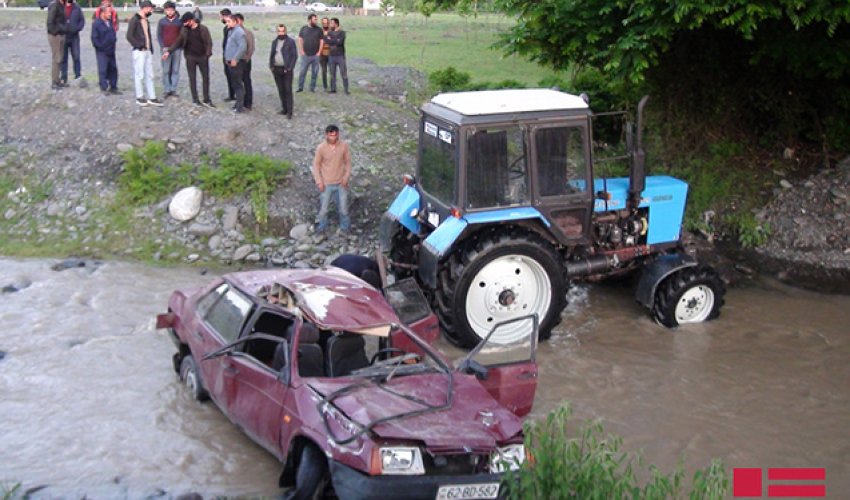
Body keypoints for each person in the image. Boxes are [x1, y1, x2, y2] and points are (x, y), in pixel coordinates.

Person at [162, 12, 213, 107]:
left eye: (185, 22)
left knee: (206, 78)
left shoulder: (203, 29)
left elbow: (209, 43)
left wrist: (207, 55)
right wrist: (169, 51)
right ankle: (195, 99)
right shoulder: (184, 30)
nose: (184, 24)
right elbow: (178, 41)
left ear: (191, 20)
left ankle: (206, 99)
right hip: (190, 57)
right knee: (192, 78)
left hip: (202, 57)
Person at [312, 124, 352, 233]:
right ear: (326, 135)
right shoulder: (321, 148)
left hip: (341, 183)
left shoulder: (344, 146)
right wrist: (319, 181)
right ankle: (321, 228)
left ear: (338, 134)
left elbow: (348, 163)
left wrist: (346, 178)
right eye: (330, 136)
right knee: (324, 209)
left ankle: (345, 229)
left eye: (335, 136)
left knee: (343, 209)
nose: (333, 138)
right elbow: (316, 165)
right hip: (326, 183)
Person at [126, 0, 163, 106]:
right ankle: (140, 96)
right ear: (145, 8)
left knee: (150, 74)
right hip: (139, 51)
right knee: (139, 74)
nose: (151, 10)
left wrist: (149, 47)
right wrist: (139, 45)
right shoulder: (135, 20)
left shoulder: (146, 19)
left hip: (147, 50)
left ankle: (152, 97)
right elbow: (129, 36)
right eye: (150, 8)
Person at [269, 24, 297, 118]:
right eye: (279, 31)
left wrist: (290, 68)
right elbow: (272, 54)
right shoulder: (274, 42)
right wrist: (271, 65)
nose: (281, 33)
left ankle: (290, 111)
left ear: (285, 31)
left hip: (286, 69)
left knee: (288, 90)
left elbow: (294, 56)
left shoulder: (290, 42)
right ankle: (284, 109)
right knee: (281, 90)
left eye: (282, 31)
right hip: (276, 68)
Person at [90, 6, 120, 94]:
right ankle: (104, 87)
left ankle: (113, 86)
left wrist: (114, 41)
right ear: (102, 13)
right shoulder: (97, 23)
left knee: (113, 68)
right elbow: (94, 38)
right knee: (103, 69)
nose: (110, 14)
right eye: (108, 12)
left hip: (111, 49)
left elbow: (113, 33)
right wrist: (100, 47)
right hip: (102, 51)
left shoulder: (110, 22)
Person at [157, 1, 182, 98]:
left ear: (174, 10)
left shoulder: (179, 22)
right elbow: (159, 35)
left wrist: (179, 45)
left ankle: (173, 89)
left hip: (177, 49)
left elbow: (181, 36)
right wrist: (162, 46)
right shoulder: (162, 21)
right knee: (166, 70)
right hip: (165, 48)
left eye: (171, 10)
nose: (170, 12)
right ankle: (167, 89)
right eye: (167, 10)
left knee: (175, 69)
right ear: (165, 11)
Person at [223, 14, 247, 113]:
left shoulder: (239, 32)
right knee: (234, 83)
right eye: (226, 21)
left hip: (236, 63)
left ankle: (240, 106)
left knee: (238, 84)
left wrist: (235, 59)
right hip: (229, 61)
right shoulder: (231, 31)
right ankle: (237, 103)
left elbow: (242, 47)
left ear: (235, 21)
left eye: (229, 21)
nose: (227, 23)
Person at [296, 14, 323, 93]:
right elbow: (300, 39)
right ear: (309, 20)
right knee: (302, 72)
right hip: (305, 55)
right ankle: (300, 87)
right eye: (314, 19)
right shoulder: (303, 29)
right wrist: (301, 51)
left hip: (316, 55)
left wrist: (319, 52)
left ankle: (312, 88)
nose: (316, 21)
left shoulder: (319, 30)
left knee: (315, 72)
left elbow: (322, 41)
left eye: (316, 19)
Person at [60, 0, 85, 85]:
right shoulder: (60, 6)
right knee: (63, 58)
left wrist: (77, 28)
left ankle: (78, 76)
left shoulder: (77, 7)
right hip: (63, 36)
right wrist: (61, 29)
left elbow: (82, 21)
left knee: (76, 57)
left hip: (74, 37)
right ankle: (63, 77)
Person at [46, 0, 67, 89]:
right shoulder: (55, 5)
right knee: (56, 58)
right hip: (55, 36)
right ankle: (54, 82)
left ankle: (57, 80)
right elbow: (50, 22)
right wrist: (56, 32)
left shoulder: (62, 5)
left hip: (61, 34)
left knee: (60, 58)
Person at [234, 13, 253, 110]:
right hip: (235, 61)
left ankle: (248, 102)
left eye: (236, 21)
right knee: (237, 82)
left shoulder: (247, 33)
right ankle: (239, 102)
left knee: (246, 81)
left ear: (241, 21)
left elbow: (251, 48)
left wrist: (246, 58)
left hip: (244, 61)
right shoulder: (233, 32)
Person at [325, 17, 348, 95]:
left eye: (332, 23)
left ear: (336, 24)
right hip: (331, 55)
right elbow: (326, 41)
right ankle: (333, 89)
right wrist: (335, 40)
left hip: (340, 56)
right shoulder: (329, 32)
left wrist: (332, 40)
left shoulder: (342, 33)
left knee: (343, 73)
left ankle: (346, 89)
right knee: (332, 73)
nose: (330, 24)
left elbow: (340, 42)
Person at [219, 8, 235, 102]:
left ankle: (237, 95)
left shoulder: (232, 28)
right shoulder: (226, 28)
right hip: (226, 54)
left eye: (221, 16)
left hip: (231, 55)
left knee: (234, 76)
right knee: (228, 74)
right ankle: (231, 94)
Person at [319, 17, 330, 91]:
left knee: (332, 70)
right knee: (324, 70)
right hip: (322, 54)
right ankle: (325, 86)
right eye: (324, 23)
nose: (325, 24)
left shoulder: (332, 30)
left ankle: (333, 86)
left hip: (331, 54)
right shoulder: (319, 31)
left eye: (326, 23)